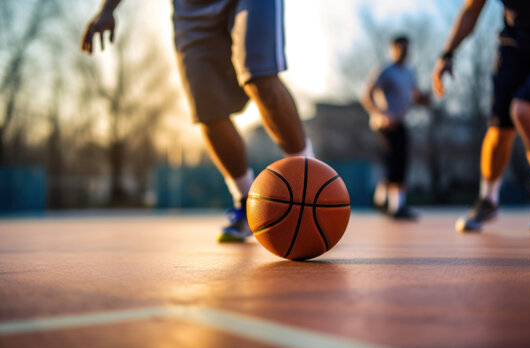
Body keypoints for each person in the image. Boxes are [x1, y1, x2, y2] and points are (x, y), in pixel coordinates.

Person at [81, 0, 315, 242]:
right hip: (190, 9)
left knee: (259, 76)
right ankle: (247, 203)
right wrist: (107, 9)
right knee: (206, 108)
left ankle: (311, 183)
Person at [433, 0, 530, 232]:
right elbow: (471, 10)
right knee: (499, 127)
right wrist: (447, 53)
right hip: (515, 45)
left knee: (523, 110)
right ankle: (489, 199)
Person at [361, 35, 430, 220]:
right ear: (392, 49)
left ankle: (381, 200)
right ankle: (396, 208)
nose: (404, 51)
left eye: (407, 48)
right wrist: (381, 114)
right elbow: (366, 95)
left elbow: (415, 96)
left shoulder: (409, 72)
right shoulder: (384, 70)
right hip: (384, 124)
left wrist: (425, 99)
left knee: (400, 162)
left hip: (400, 122)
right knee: (394, 163)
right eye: (400, 47)